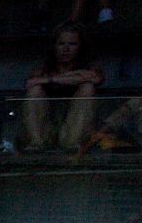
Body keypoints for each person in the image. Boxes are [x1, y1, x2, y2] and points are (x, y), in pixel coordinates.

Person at [22, 22, 103, 150]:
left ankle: (72, 144)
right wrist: (72, 77)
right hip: (46, 129)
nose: (66, 49)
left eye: (72, 44)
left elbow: (94, 77)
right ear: (54, 46)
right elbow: (31, 83)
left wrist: (50, 80)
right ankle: (35, 143)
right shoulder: (41, 70)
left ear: (80, 46)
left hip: (77, 131)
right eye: (61, 44)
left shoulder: (90, 66)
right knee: (35, 90)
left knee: (87, 87)